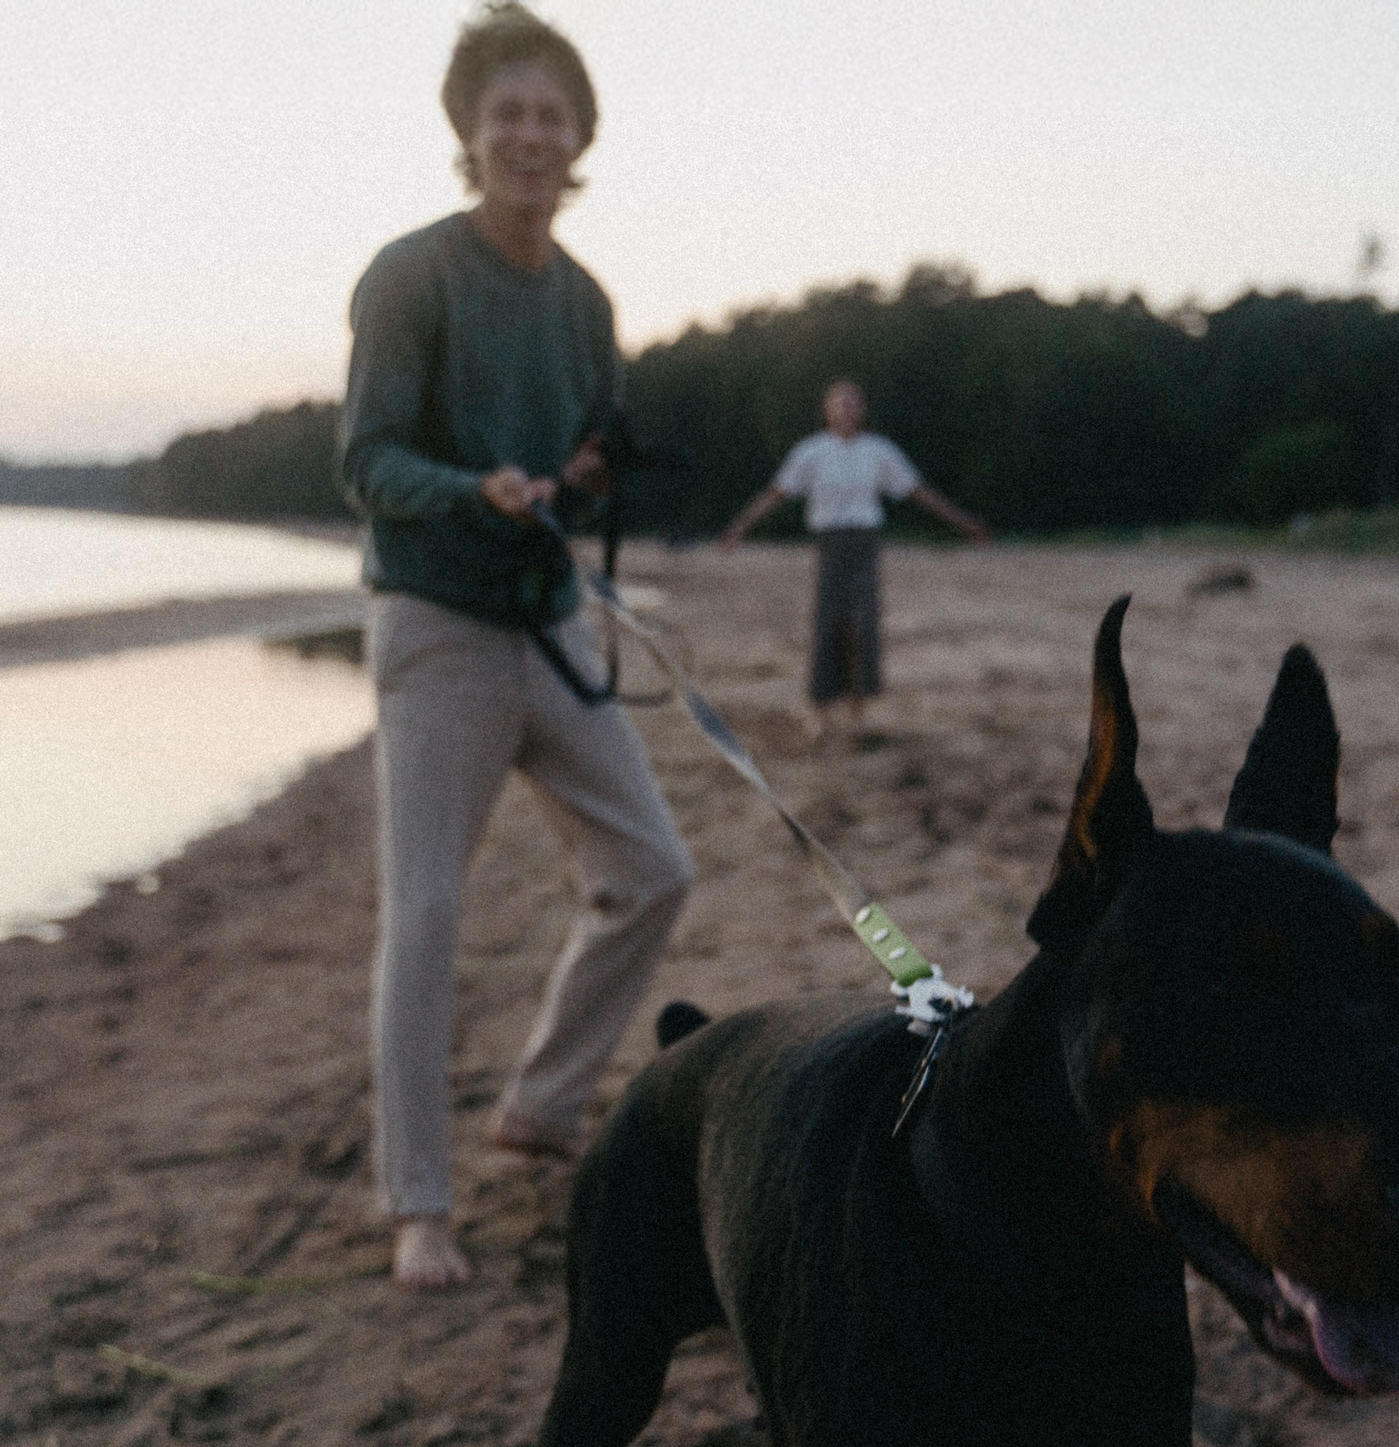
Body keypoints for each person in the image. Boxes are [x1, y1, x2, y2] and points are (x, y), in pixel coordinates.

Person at [339, 3, 693, 1291]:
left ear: (579, 135)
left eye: (552, 114)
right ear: (471, 132)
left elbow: (579, 472)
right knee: (424, 915)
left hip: (547, 623)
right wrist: (471, 488)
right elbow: (364, 461)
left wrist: (582, 483)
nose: (530, 134)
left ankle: (542, 1101)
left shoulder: (588, 302)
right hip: (433, 625)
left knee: (653, 867)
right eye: (508, 113)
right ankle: (416, 1209)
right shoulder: (410, 274)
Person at [717, 379, 989, 742]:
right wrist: (739, 528)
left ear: (862, 409)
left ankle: (856, 714)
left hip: (864, 545)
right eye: (839, 402)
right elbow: (776, 493)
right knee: (828, 626)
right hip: (830, 546)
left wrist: (964, 522)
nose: (847, 408)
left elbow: (918, 492)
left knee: (863, 628)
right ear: (828, 409)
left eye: (853, 402)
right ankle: (818, 712)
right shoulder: (810, 452)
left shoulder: (879, 451)